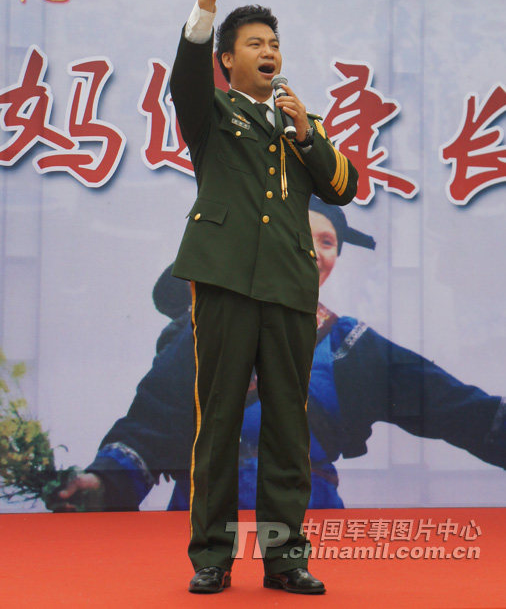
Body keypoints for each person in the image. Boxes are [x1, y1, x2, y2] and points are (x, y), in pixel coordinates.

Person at [52, 200, 506, 516]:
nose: (314, 252)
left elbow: (450, 405)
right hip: (206, 520)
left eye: (327, 242)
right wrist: (103, 483)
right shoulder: (205, 332)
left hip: (309, 523)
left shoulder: (349, 344)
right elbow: (150, 425)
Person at [166, 0, 358, 594]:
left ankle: (284, 557)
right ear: (228, 59)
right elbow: (185, 76)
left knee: (286, 426)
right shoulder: (212, 111)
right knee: (220, 420)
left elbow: (343, 186)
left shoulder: (301, 123)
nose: (269, 51)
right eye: (254, 43)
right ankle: (213, 557)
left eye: (274, 43)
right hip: (224, 281)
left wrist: (305, 132)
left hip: (288, 287)